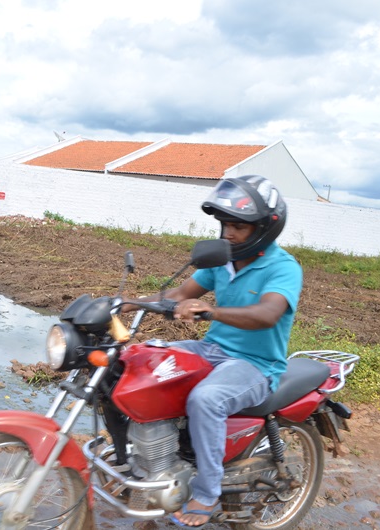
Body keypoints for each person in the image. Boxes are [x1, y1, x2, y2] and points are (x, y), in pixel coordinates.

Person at [123, 175, 302, 528]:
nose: (228, 233)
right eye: (224, 225)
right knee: (140, 363)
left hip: (255, 364)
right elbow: (176, 295)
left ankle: (206, 492)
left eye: (238, 227)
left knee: (207, 399)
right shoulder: (222, 261)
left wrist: (210, 311)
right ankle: (145, 461)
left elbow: (267, 314)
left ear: (265, 228)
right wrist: (124, 303)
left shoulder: (283, 268)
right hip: (212, 349)